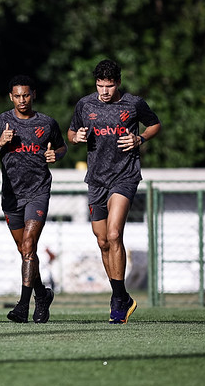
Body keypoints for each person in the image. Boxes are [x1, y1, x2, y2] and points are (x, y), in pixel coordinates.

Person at [67, 60, 161, 324]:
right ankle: (121, 295)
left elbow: (155, 125)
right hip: (96, 179)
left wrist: (140, 138)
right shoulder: (85, 104)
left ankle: (118, 300)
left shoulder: (134, 104)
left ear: (118, 83)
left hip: (125, 176)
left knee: (114, 233)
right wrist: (77, 137)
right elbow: (71, 132)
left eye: (109, 86)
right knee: (102, 241)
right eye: (100, 86)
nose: (104, 91)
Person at [0, 75, 67, 323]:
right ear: (10, 97)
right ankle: (42, 296)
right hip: (11, 196)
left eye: (26, 95)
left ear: (33, 94)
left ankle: (22, 306)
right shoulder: (1, 122)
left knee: (29, 247)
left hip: (38, 192)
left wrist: (54, 155)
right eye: (17, 96)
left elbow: (61, 147)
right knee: (24, 250)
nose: (22, 100)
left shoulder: (47, 123)